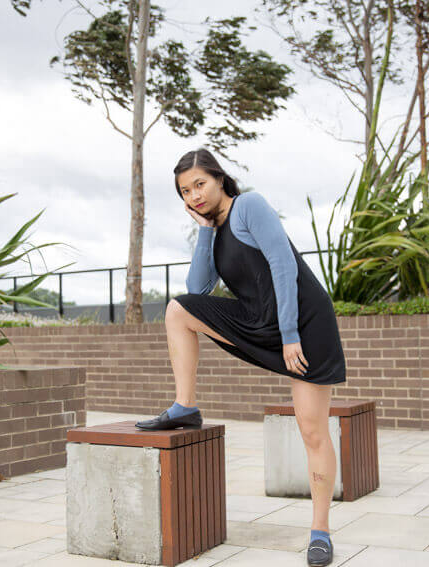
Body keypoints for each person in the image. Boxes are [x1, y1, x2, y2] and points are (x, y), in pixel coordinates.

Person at [135, 147, 346, 567]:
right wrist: (205, 231)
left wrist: (290, 335)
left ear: (219, 179)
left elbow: (284, 266)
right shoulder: (213, 232)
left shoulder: (249, 206)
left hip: (303, 324)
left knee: (312, 431)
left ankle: (320, 531)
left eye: (200, 184)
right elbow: (198, 290)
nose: (194, 195)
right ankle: (185, 405)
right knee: (179, 310)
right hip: (256, 320)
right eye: (185, 191)